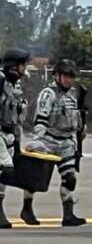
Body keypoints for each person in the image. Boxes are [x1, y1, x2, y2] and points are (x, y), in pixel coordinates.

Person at [28, 59, 87, 227]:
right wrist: (37, 141)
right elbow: (41, 119)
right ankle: (27, 208)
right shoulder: (48, 94)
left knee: (70, 178)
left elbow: (75, 117)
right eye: (66, 76)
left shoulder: (73, 95)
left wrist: (80, 129)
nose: (69, 80)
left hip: (66, 142)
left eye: (72, 77)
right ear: (57, 76)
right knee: (35, 179)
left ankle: (68, 215)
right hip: (47, 140)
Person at [0, 48, 30, 229]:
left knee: (4, 176)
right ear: (13, 66)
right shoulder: (0, 81)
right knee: (5, 167)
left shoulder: (15, 87)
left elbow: (17, 118)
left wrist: (18, 143)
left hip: (9, 134)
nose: (24, 68)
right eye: (22, 64)